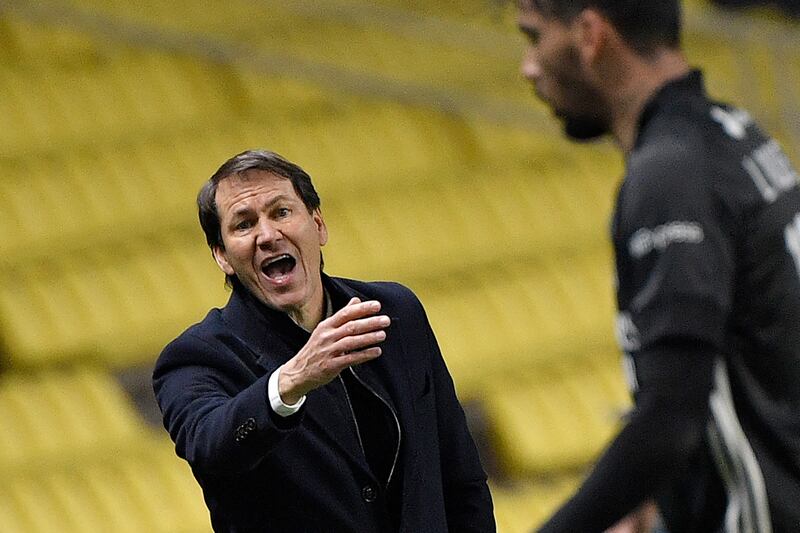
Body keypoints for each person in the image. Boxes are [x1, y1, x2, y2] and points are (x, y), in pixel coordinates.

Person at [515, 1, 800, 531]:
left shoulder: (670, 176)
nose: (529, 67)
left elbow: (671, 419)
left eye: (534, 38)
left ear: (591, 34)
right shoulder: (733, 132)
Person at [152, 149, 495, 532]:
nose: (267, 235)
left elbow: (460, 477)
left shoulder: (397, 312)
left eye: (281, 212)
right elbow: (209, 445)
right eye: (244, 225)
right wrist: (290, 381)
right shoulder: (197, 358)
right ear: (223, 256)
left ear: (318, 225)